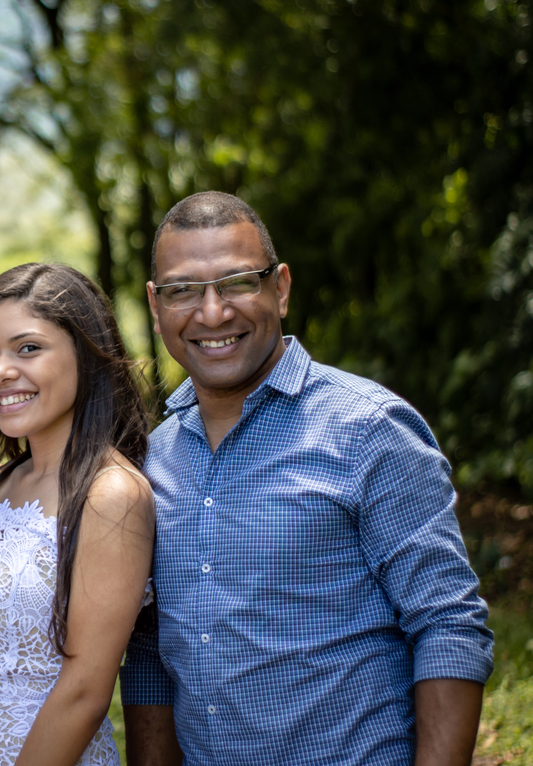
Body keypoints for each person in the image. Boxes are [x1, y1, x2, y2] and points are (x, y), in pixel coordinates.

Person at [122, 191, 494, 766]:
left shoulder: (370, 429)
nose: (213, 312)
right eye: (183, 290)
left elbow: (447, 624)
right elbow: (151, 652)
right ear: (154, 304)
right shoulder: (151, 462)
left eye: (239, 281)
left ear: (282, 287)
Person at [0, 263, 155, 766]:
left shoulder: (111, 493)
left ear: (84, 353)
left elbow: (85, 691)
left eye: (28, 348)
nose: (1, 371)